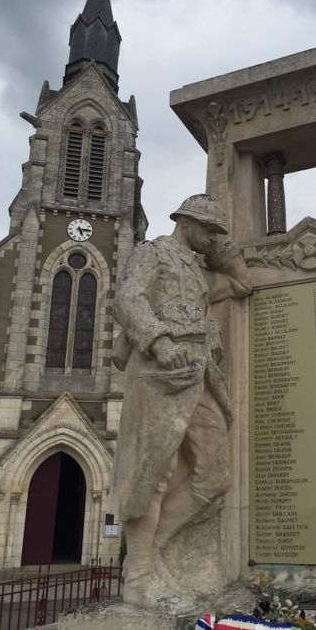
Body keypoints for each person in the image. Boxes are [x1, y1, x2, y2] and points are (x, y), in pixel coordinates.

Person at [110, 194, 251, 607]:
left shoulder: (201, 270)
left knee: (214, 476)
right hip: (159, 371)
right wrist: (157, 341)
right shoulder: (152, 253)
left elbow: (244, 284)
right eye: (208, 230)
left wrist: (224, 254)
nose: (212, 238)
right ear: (186, 223)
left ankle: (151, 550)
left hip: (200, 373)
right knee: (152, 474)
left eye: (217, 233)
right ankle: (139, 580)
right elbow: (128, 299)